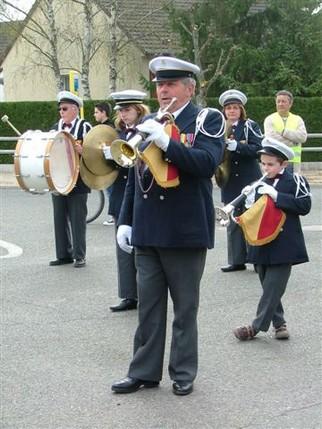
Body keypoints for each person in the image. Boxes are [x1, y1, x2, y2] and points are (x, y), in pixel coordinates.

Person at [111, 56, 225, 396]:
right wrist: (125, 220)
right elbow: (134, 172)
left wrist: (166, 142)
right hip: (148, 229)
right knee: (147, 308)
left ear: (189, 88)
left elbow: (206, 164)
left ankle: (183, 371)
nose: (162, 90)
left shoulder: (206, 118)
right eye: (159, 84)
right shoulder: (150, 120)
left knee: (184, 308)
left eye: (170, 84)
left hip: (184, 230)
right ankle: (144, 371)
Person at [233, 137, 311, 341]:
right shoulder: (257, 184)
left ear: (283, 164)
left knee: (272, 287)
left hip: (284, 244)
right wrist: (244, 204)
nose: (265, 168)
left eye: (271, 164)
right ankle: (279, 324)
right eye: (263, 163)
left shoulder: (295, 181)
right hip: (261, 243)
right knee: (269, 286)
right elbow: (252, 215)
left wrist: (277, 196)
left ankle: (255, 327)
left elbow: (304, 206)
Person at [105, 90, 150, 312]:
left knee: (144, 249)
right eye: (121, 111)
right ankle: (128, 295)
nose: (123, 114)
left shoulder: (147, 131)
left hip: (142, 195)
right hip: (121, 195)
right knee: (123, 249)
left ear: (139, 110)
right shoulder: (117, 134)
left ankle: (148, 294)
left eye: (127, 110)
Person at [218, 89, 263, 273]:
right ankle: (236, 260)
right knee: (233, 220)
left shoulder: (249, 125)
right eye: (228, 108)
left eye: (235, 108)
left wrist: (238, 147)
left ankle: (257, 258)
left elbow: (259, 149)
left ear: (241, 109)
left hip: (248, 178)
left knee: (252, 218)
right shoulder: (219, 127)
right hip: (229, 180)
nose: (231, 111)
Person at [49, 91, 92, 268]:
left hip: (78, 179)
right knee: (59, 218)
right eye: (60, 109)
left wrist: (84, 151)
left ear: (75, 109)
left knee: (77, 219)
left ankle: (79, 255)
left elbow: (95, 153)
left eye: (65, 108)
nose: (61, 111)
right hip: (58, 177)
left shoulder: (85, 127)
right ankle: (63, 255)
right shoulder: (55, 126)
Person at [264, 90, 307, 174]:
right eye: (278, 101)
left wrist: (284, 132)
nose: (280, 104)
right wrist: (294, 141)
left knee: (292, 185)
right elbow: (271, 139)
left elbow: (302, 137)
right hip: (275, 161)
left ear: (290, 104)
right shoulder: (270, 119)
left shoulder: (297, 119)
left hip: (293, 162)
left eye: (283, 101)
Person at [93, 102, 115, 226]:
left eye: (96, 112)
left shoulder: (108, 127)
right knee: (109, 190)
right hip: (105, 163)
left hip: (109, 164)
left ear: (103, 112)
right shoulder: (103, 126)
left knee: (111, 190)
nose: (94, 114)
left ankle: (114, 215)